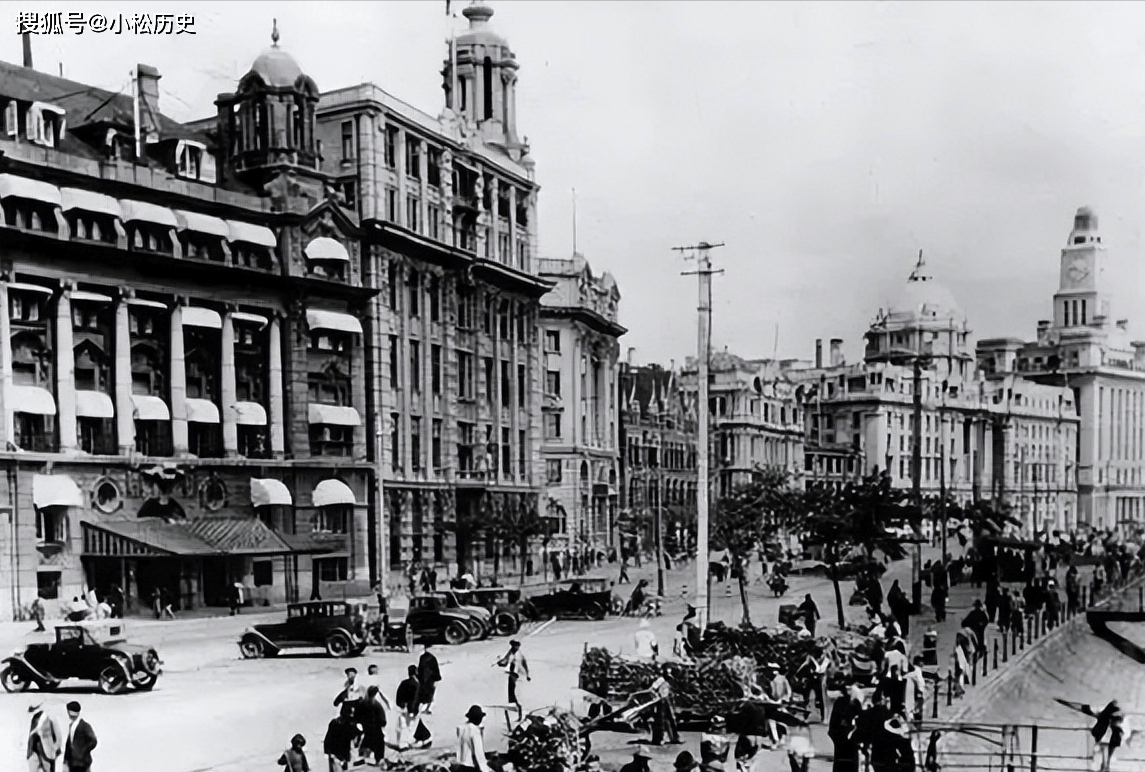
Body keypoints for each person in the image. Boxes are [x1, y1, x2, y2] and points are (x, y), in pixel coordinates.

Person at [496, 639, 531, 720]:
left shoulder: (519, 655)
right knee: (513, 691)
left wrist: (527, 674)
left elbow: (524, 664)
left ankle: (520, 709)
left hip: (519, 675)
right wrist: (500, 663)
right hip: (513, 675)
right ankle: (518, 707)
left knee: (517, 693)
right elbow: (505, 662)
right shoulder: (510, 653)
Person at [323, 703, 361, 772]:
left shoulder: (334, 722)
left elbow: (327, 738)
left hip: (336, 753)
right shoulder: (349, 725)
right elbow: (354, 738)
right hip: (341, 754)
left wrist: (327, 751)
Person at [27, 701, 61, 772]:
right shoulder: (34, 719)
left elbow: (58, 736)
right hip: (35, 751)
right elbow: (31, 735)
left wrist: (55, 749)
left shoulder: (50, 718)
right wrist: (29, 753)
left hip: (47, 753)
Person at [64, 702, 97, 772]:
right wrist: (65, 761)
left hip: (82, 762)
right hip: (73, 762)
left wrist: (83, 751)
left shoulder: (84, 726)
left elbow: (93, 741)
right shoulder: (72, 726)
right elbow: (68, 745)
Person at [358, 686, 387, 766]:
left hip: (366, 729)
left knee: (366, 743)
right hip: (376, 730)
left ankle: (364, 757)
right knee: (379, 745)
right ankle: (378, 760)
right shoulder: (377, 706)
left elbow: (357, 717)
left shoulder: (362, 704)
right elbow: (383, 722)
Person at [456, 705, 490, 772]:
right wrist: (485, 769)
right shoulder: (474, 730)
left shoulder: (462, 729)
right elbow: (478, 753)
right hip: (470, 767)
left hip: (461, 765)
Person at [395, 665, 421, 747]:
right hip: (410, 709)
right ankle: (404, 743)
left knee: (401, 726)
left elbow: (398, 694)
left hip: (402, 707)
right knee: (409, 726)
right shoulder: (415, 684)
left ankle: (399, 743)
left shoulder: (404, 682)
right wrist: (412, 710)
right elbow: (413, 699)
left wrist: (400, 704)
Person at [418, 643, 442, 714]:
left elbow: (435, 669)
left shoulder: (426, 658)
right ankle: (426, 709)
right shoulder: (429, 658)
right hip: (427, 679)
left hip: (427, 679)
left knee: (427, 695)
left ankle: (426, 709)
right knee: (427, 695)